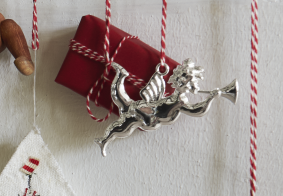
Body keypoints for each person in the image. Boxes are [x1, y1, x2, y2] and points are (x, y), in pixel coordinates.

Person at [97, 59, 237, 155]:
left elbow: (197, 110)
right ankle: (104, 140)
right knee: (121, 112)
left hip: (147, 115)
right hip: (144, 113)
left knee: (122, 112)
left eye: (187, 81)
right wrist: (212, 97)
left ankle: (104, 140)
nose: (183, 83)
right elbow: (196, 109)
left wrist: (212, 97)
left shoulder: (180, 102)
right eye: (183, 80)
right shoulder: (177, 98)